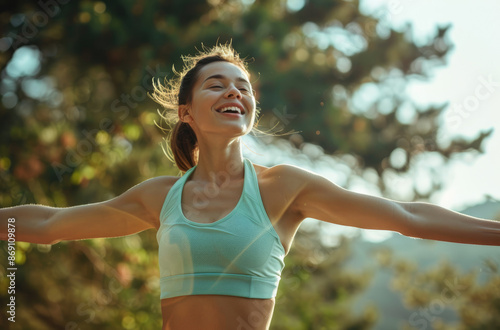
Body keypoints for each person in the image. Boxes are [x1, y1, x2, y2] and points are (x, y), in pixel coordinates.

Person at [1, 43, 499, 330]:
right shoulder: (159, 196)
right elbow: (48, 225)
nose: (235, 91)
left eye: (243, 86)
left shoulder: (285, 188)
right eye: (217, 84)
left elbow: (406, 217)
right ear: (187, 112)